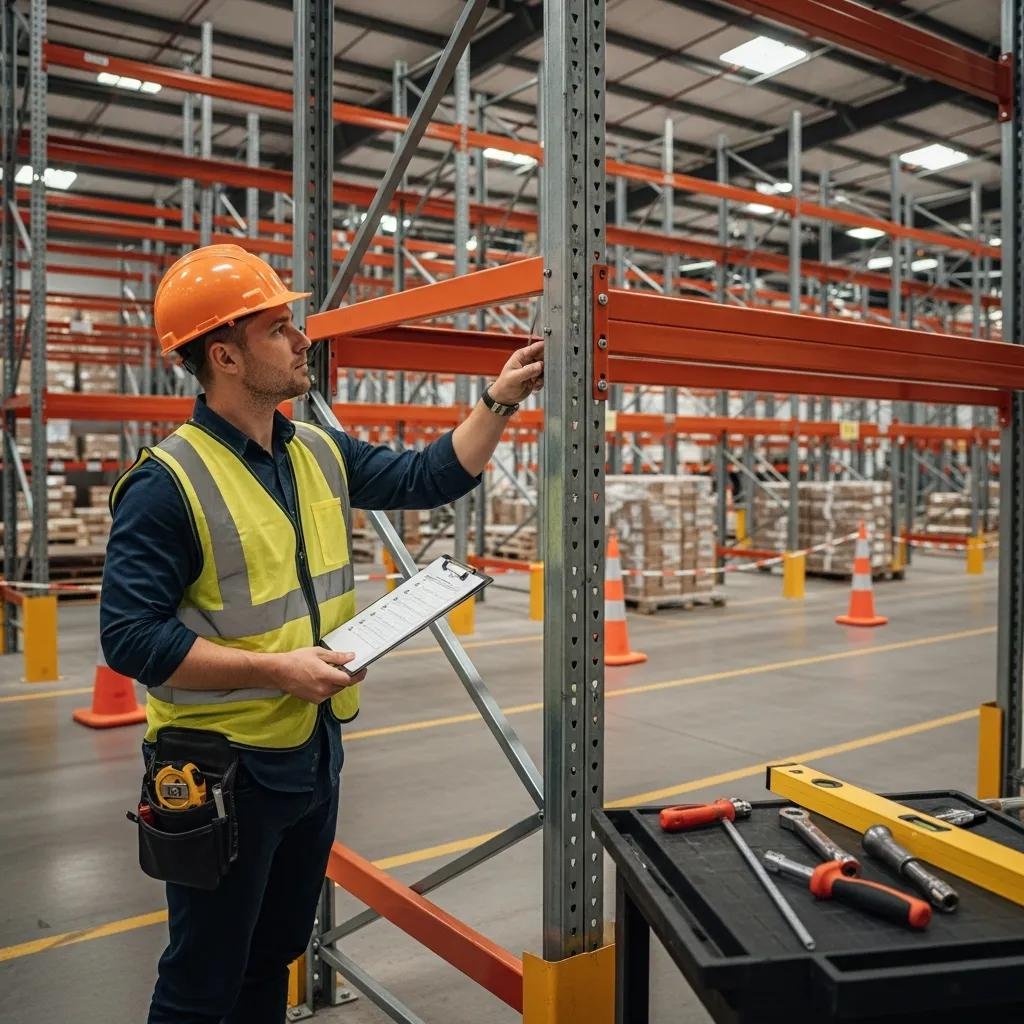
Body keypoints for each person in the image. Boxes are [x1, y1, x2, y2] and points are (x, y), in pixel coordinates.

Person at [100, 243, 544, 1024]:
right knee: (202, 981)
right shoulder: (166, 485)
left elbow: (427, 475)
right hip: (218, 772)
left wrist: (498, 400)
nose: (302, 338)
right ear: (226, 355)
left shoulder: (314, 449)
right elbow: (130, 639)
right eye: (280, 328)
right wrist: (278, 671)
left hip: (311, 756)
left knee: (272, 958)